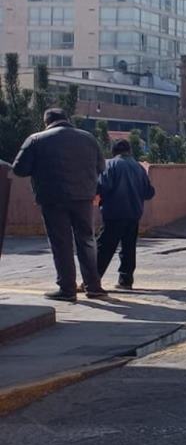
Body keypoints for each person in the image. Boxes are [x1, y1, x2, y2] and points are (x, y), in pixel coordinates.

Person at [12, 109, 107, 302]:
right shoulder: (88, 138)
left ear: (46, 122)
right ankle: (94, 286)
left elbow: (19, 169)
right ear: (67, 120)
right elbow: (101, 167)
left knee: (61, 243)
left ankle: (67, 289)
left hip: (53, 198)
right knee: (87, 241)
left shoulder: (36, 139)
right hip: (83, 198)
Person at [96, 139, 156, 290]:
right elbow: (149, 193)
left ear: (113, 151)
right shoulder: (139, 168)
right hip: (134, 213)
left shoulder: (110, 165)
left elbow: (103, 187)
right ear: (129, 151)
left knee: (104, 247)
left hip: (114, 213)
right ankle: (126, 280)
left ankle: (93, 280)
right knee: (128, 248)